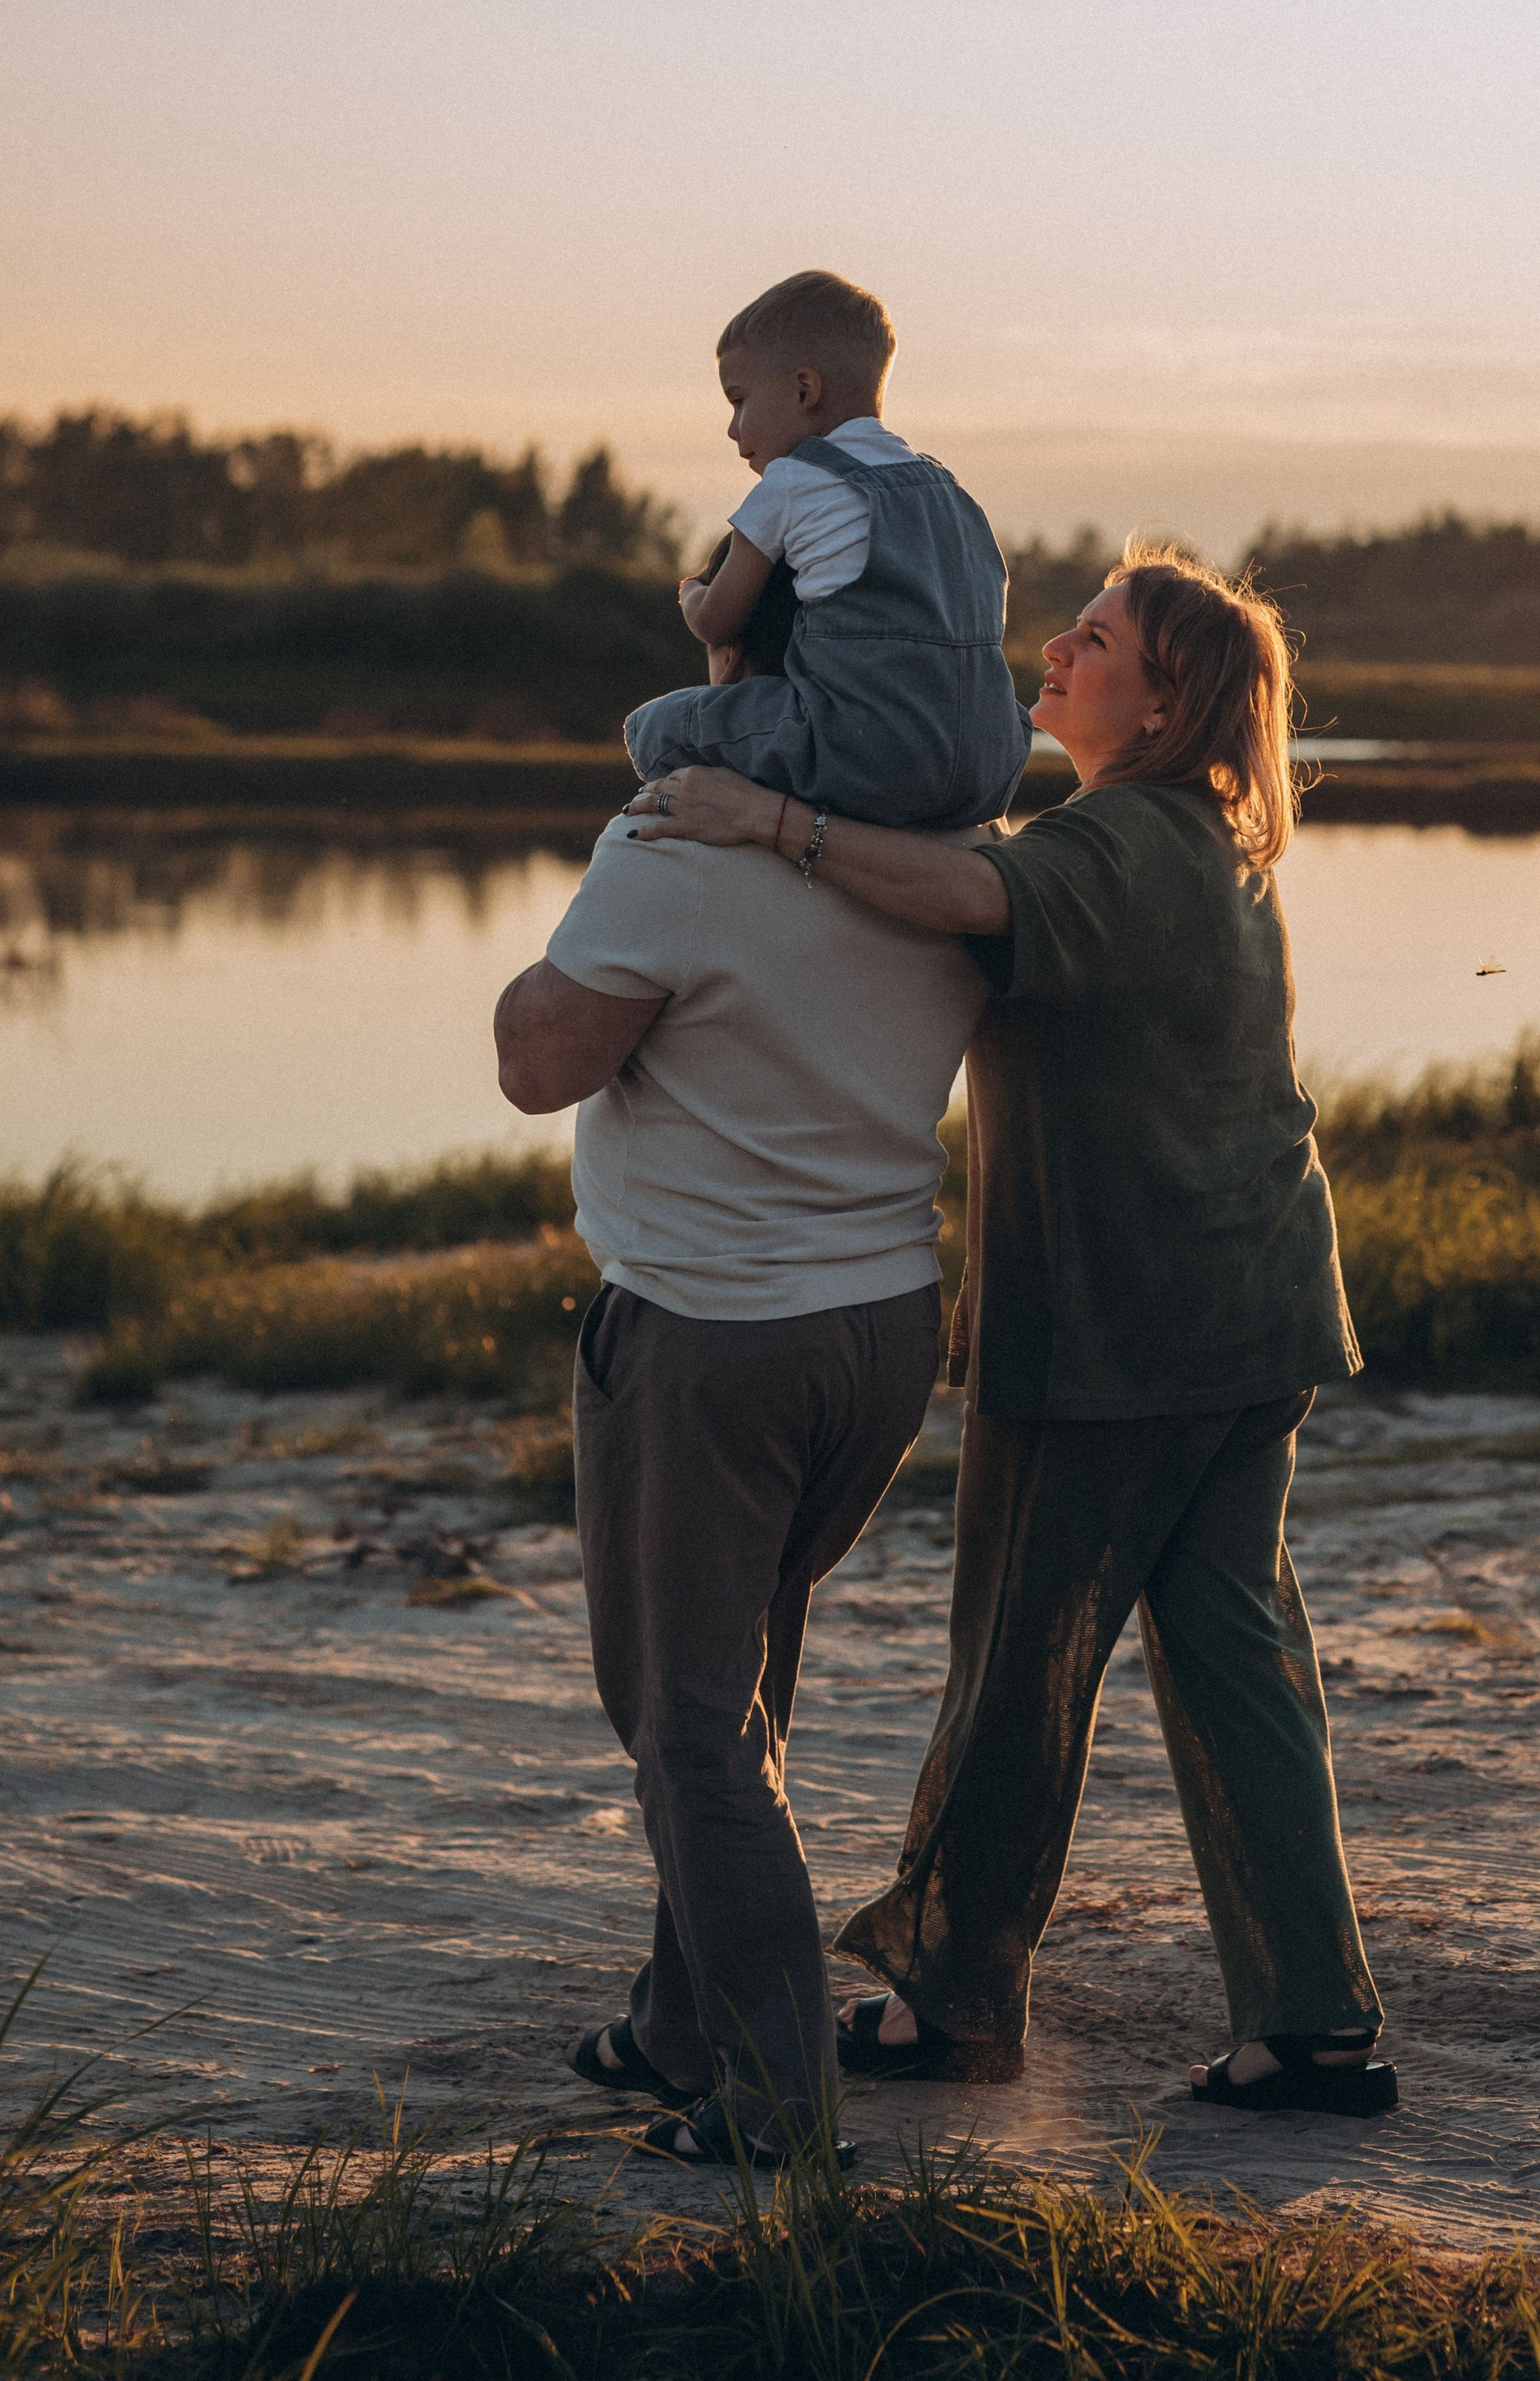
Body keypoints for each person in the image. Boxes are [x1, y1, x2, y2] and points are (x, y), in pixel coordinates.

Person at [623, 545, 1395, 2120]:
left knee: (1020, 1659)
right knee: (1237, 1652)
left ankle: (956, 1996)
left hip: (1122, 1330)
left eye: (1095, 639)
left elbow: (975, 896)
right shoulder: (1202, 841)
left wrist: (772, 822)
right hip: (1254, 1311)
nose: (1057, 648)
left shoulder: (1118, 843)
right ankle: (1311, 2020)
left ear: (1163, 702)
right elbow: (967, 884)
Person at [493, 553, 987, 2164]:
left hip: (711, 1336)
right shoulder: (941, 852)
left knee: (685, 1725)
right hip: (879, 1330)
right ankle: (680, 2023)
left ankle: (777, 2105)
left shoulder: (672, 843)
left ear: (736, 659)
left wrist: (539, 973)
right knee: (734, 1679)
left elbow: (539, 1064)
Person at [623, 269, 1032, 830]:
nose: (733, 429)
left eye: (739, 401)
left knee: (656, 727)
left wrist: (692, 592)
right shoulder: (953, 494)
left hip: (861, 754)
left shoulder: (794, 481)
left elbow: (719, 622)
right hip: (988, 768)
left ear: (804, 390)